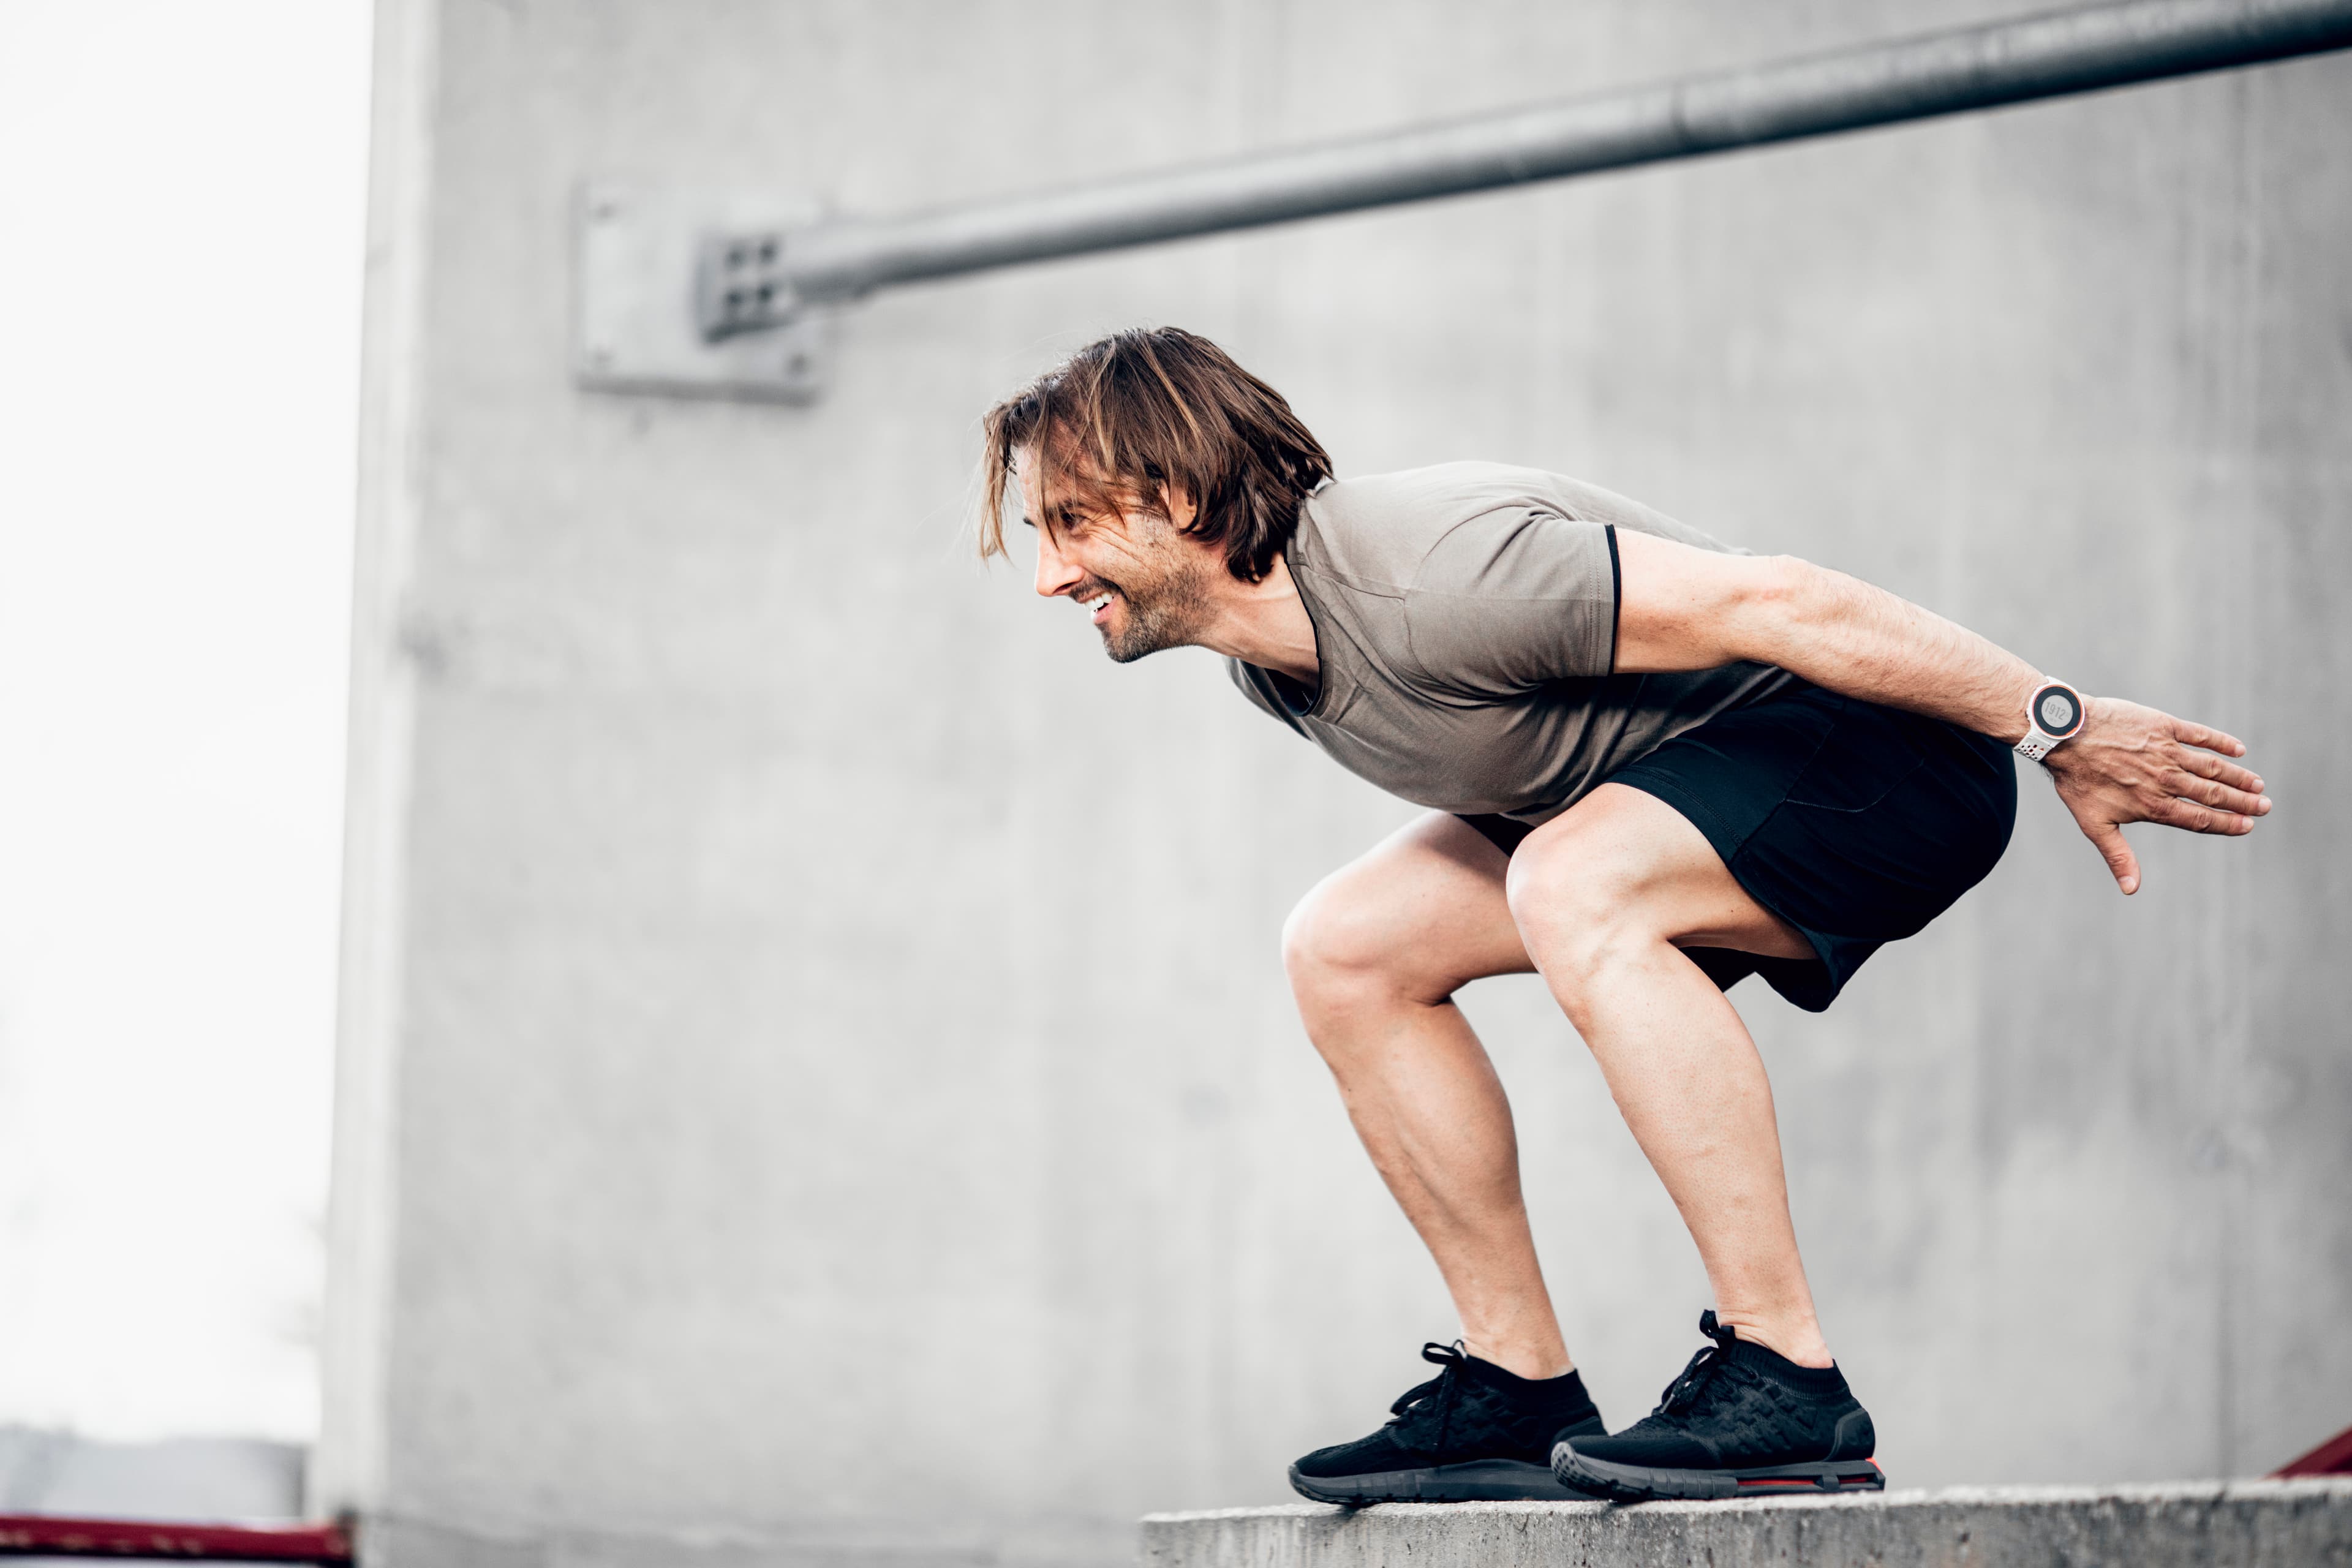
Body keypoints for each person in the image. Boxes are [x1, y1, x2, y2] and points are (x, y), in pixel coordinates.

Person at [973, 326, 2268, 1504]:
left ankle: (1787, 1374)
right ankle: (1516, 1383)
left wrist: (2063, 723)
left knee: (1569, 880)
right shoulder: (1275, 658)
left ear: (1180, 493)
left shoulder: (1435, 572)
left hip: (1893, 759)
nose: (1048, 574)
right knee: (1347, 946)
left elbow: (1788, 600)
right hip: (1676, 779)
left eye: (1071, 523)